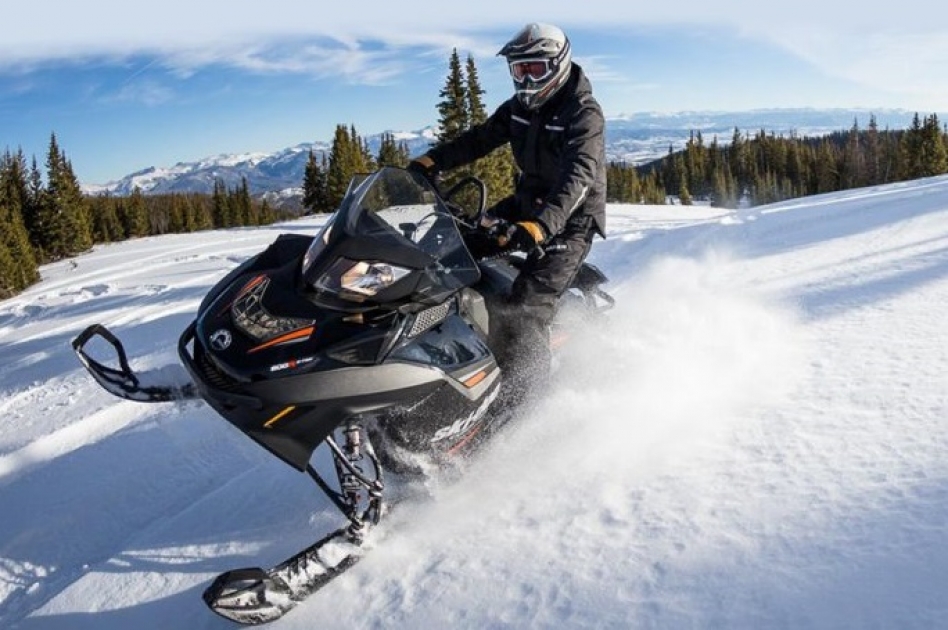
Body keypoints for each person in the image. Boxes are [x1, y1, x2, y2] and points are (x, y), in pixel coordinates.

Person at [408, 22, 606, 410]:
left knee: (524, 308)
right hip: (527, 204)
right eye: (520, 70)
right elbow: (480, 138)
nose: (528, 79)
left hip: (571, 218)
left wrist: (542, 225)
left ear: (559, 65)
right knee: (445, 251)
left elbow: (580, 174)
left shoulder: (582, 113)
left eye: (536, 69)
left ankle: (527, 404)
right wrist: (435, 160)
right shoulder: (519, 109)